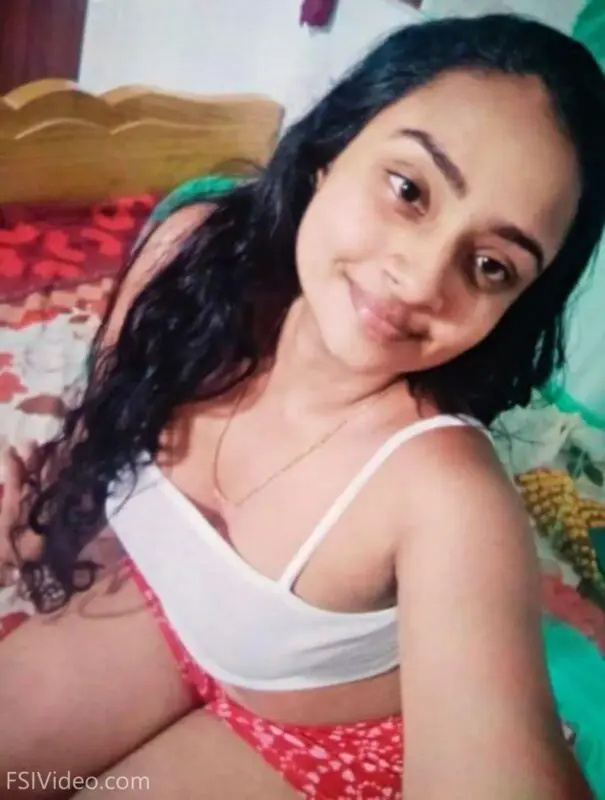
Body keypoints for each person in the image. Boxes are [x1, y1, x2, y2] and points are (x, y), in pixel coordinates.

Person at [1, 13, 604, 800]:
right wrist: (34, 527)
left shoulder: (446, 494)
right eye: (408, 190)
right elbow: (99, 440)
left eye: (490, 265)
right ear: (330, 152)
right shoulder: (187, 259)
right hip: (170, 618)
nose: (420, 280)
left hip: (323, 741)